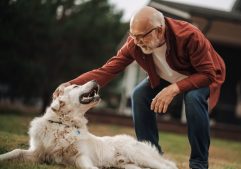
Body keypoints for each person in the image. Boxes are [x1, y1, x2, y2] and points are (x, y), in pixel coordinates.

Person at [54, 6, 225, 169]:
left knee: (193, 99)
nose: (137, 41)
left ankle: (199, 164)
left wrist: (174, 88)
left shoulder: (189, 35)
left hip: (201, 75)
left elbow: (207, 74)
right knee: (139, 95)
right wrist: (71, 84)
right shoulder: (135, 44)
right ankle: (151, 157)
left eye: (141, 36)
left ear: (159, 30)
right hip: (166, 77)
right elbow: (106, 71)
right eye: (133, 36)